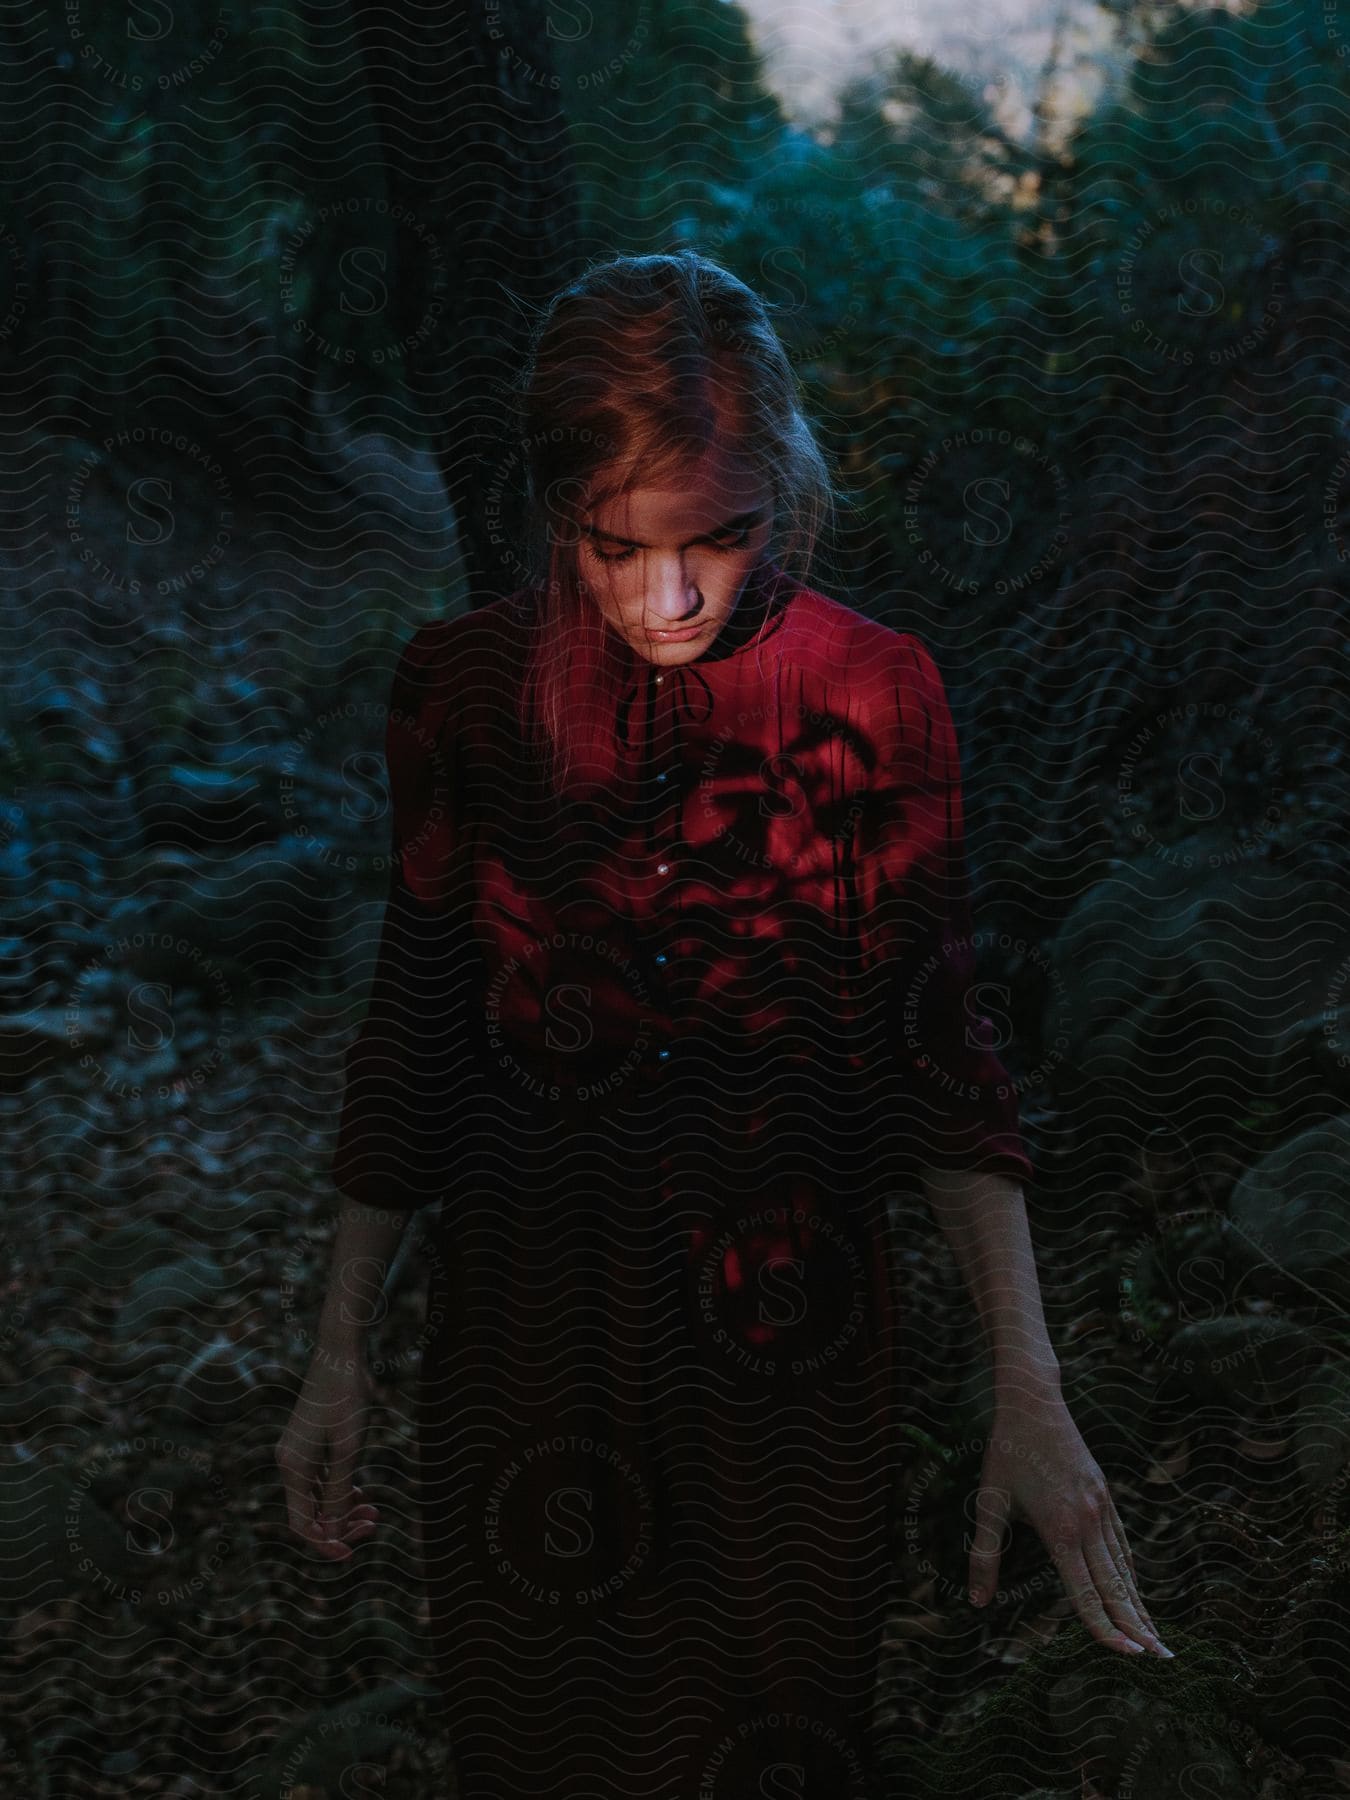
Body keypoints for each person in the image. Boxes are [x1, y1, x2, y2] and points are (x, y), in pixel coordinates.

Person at [277, 250, 1168, 1800]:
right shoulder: (463, 686)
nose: (669, 597)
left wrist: (1025, 1384)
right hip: (526, 1339)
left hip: (791, 1361)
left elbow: (941, 1056)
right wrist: (339, 1344)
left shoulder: (876, 690)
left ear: (789, 485)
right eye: (613, 548)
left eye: (720, 540)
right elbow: (416, 1016)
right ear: (552, 510)